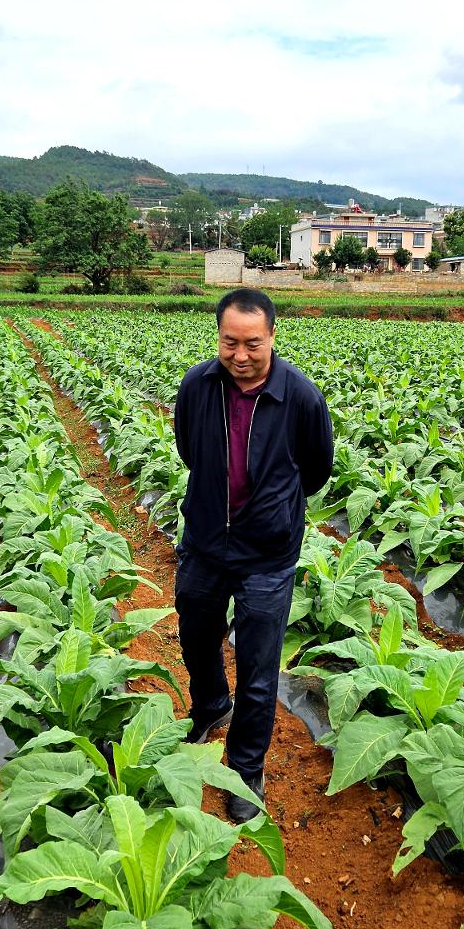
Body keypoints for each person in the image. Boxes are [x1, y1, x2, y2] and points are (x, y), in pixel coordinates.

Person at [173, 288, 333, 823]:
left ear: (271, 338)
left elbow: (315, 470)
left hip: (267, 554)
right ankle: (211, 706)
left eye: (253, 344)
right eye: (229, 343)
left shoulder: (301, 397)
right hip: (204, 544)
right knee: (196, 635)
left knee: (260, 669)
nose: (240, 356)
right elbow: (188, 452)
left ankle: (245, 769)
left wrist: (270, 511)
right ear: (218, 336)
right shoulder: (197, 386)